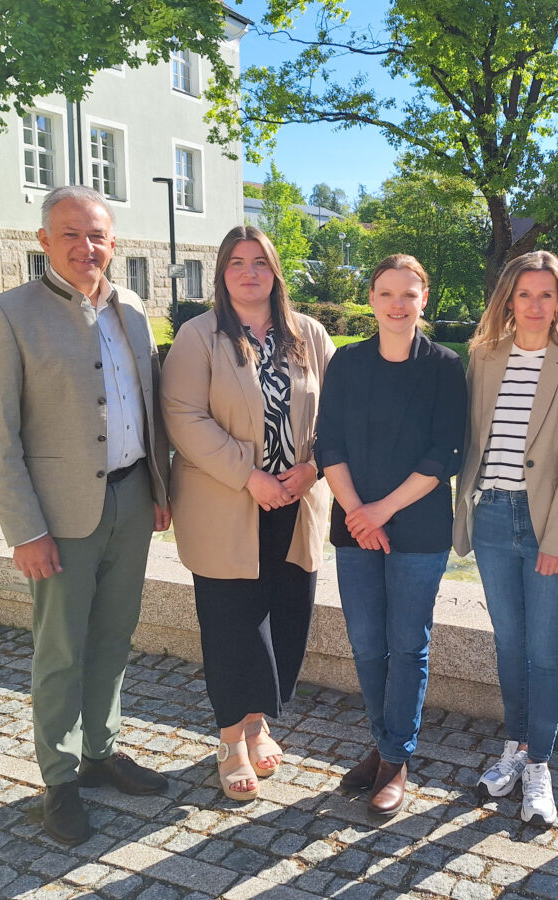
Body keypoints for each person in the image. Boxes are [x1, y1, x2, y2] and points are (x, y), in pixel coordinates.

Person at [0, 185, 172, 845]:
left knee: (114, 638)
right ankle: (60, 778)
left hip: (132, 500)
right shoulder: (7, 315)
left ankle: (101, 749)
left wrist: (160, 489)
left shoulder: (134, 310)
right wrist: (24, 529)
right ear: (44, 242)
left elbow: (148, 405)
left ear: (113, 243)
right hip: (57, 518)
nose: (88, 247)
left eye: (99, 236)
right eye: (72, 234)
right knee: (61, 650)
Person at [160, 226, 334, 802]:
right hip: (226, 503)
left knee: (286, 618)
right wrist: (249, 475)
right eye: (236, 262)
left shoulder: (307, 334)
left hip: (295, 502)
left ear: (275, 270)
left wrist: (310, 471)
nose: (249, 272)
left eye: (260, 261)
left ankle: (260, 726)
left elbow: (336, 416)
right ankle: (231, 739)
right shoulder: (199, 336)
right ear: (221, 273)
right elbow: (183, 417)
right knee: (232, 625)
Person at [453, 250, 558, 826]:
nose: (535, 305)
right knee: (510, 645)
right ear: (508, 300)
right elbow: (472, 442)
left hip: (549, 526)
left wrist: (557, 539)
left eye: (547, 295)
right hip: (492, 517)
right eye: (524, 295)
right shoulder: (484, 356)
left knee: (545, 651)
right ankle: (514, 749)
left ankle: (540, 763)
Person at [315, 254, 466, 819]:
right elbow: (328, 441)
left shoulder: (446, 366)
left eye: (409, 294)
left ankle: (396, 758)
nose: (397, 305)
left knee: (407, 645)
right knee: (365, 643)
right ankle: (384, 748)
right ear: (371, 299)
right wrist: (358, 511)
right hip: (354, 527)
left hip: (419, 528)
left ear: (425, 298)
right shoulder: (347, 363)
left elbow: (444, 453)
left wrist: (382, 510)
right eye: (386, 294)